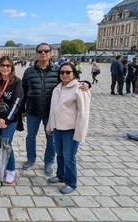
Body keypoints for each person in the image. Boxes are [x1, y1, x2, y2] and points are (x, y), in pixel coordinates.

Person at [46, 62, 90, 194]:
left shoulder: (79, 88)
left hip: (71, 130)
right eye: (62, 72)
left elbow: (83, 113)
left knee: (69, 157)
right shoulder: (58, 88)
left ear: (74, 74)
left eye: (68, 72)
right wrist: (50, 125)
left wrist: (80, 132)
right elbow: (53, 109)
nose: (64, 74)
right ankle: (60, 175)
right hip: (58, 128)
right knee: (59, 154)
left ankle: (71, 183)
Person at [0, 56, 23, 184]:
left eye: (8, 65)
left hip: (11, 119)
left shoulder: (17, 82)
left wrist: (6, 120)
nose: (5, 68)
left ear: (12, 67)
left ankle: (11, 170)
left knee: (6, 144)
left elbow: (17, 103)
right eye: (2, 65)